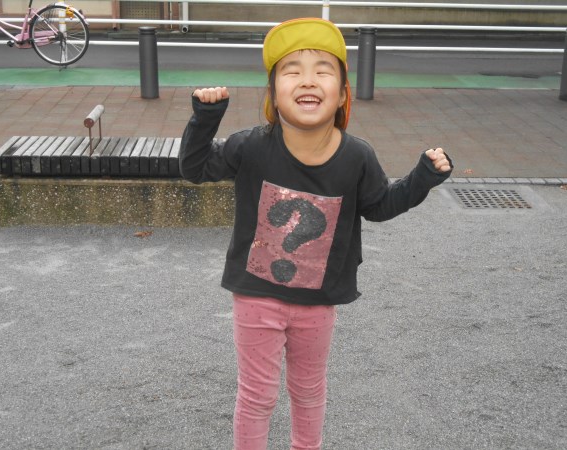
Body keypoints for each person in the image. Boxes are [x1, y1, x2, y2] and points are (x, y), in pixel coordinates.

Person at [179, 17, 452, 450]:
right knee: (257, 396)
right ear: (273, 94)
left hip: (319, 301)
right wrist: (205, 119)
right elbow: (195, 168)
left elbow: (379, 205)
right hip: (256, 295)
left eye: (323, 71)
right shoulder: (251, 146)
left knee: (308, 392)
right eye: (292, 72)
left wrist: (421, 179)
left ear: (342, 94)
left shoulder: (357, 156)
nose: (308, 80)